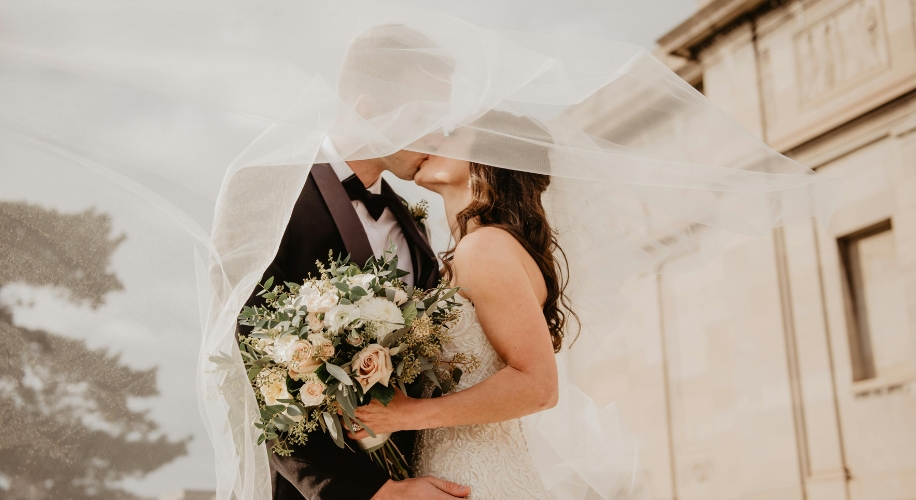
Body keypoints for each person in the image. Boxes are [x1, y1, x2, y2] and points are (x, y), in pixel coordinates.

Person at [240, 23, 470, 500]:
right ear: (369, 109)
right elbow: (250, 370)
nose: (440, 134)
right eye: (427, 115)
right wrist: (373, 493)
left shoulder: (414, 226)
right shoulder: (268, 195)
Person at [351, 112, 570, 498]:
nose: (431, 139)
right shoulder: (474, 250)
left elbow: (539, 385)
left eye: (451, 135)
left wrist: (405, 414)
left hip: (478, 477)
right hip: (451, 471)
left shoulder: (485, 248)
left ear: (485, 159)